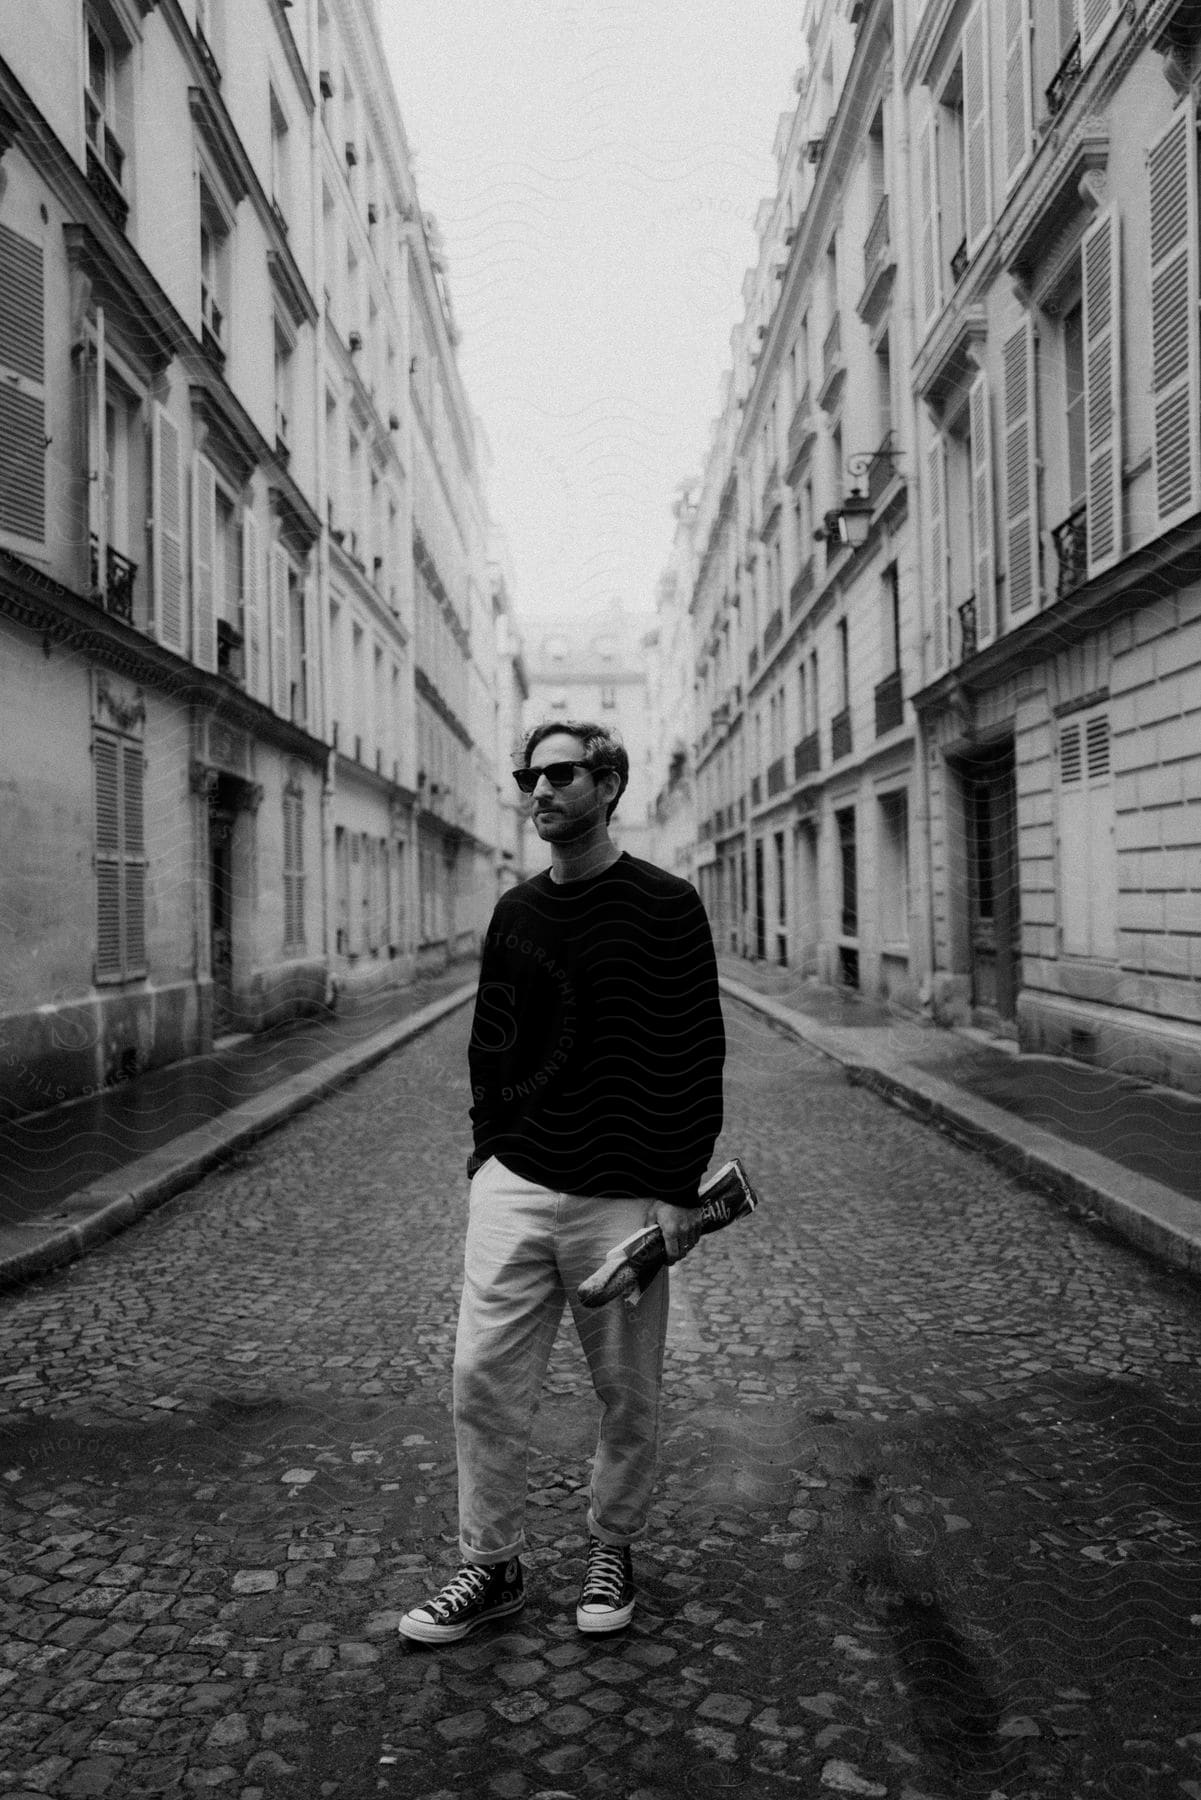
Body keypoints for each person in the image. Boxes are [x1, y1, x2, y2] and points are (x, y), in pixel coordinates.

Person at [399, 720, 726, 1645]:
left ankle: (611, 1546)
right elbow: (490, 1042)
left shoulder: (667, 905)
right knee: (480, 1378)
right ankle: (489, 1567)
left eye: (560, 774)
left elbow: (695, 1051)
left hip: (624, 1193)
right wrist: (485, 1156)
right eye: (527, 777)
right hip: (515, 1180)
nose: (537, 791)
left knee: (627, 1391)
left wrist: (676, 1192)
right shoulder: (515, 911)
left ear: (609, 783)